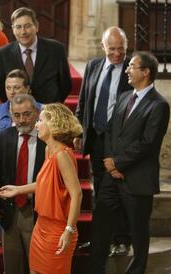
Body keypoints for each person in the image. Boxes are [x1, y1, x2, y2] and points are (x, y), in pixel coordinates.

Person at [89, 51, 170, 274]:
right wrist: (109, 162)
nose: (126, 70)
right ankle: (96, 269)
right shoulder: (125, 97)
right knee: (101, 226)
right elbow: (111, 131)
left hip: (137, 179)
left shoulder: (159, 105)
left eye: (131, 66)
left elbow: (148, 143)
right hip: (111, 178)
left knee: (138, 232)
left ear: (145, 72)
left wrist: (117, 164)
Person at [0, 103, 83, 274]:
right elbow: (46, 184)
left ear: (54, 124)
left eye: (40, 120)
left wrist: (69, 230)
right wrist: (18, 190)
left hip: (58, 230)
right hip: (41, 227)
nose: (36, 124)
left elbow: (77, 194)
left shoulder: (62, 155)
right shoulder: (49, 150)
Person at [74, 26, 132, 256]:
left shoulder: (132, 68)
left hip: (119, 141)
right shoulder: (93, 66)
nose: (117, 54)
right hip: (96, 137)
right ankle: (102, 240)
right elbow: (83, 101)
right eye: (112, 50)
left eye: (122, 49)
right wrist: (79, 131)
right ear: (103, 47)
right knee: (100, 190)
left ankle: (122, 239)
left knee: (119, 190)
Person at [0, 94, 45, 274]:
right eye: (17, 115)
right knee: (12, 267)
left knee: (36, 267)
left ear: (36, 112)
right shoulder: (4, 137)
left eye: (27, 114)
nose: (22, 120)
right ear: (11, 115)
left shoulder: (47, 139)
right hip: (10, 213)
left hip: (37, 211)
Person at [0, 7, 72, 103]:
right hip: (18, 112)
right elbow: (0, 86)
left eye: (27, 26)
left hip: (49, 111)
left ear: (36, 26)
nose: (23, 32)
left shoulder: (56, 49)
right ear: (13, 29)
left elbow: (66, 84)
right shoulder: (3, 54)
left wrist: (53, 105)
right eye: (18, 27)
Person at [0, 69, 33, 171]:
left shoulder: (39, 110)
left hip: (28, 169)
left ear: (27, 89)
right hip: (0, 171)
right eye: (8, 88)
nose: (11, 92)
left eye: (16, 88)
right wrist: (5, 161)